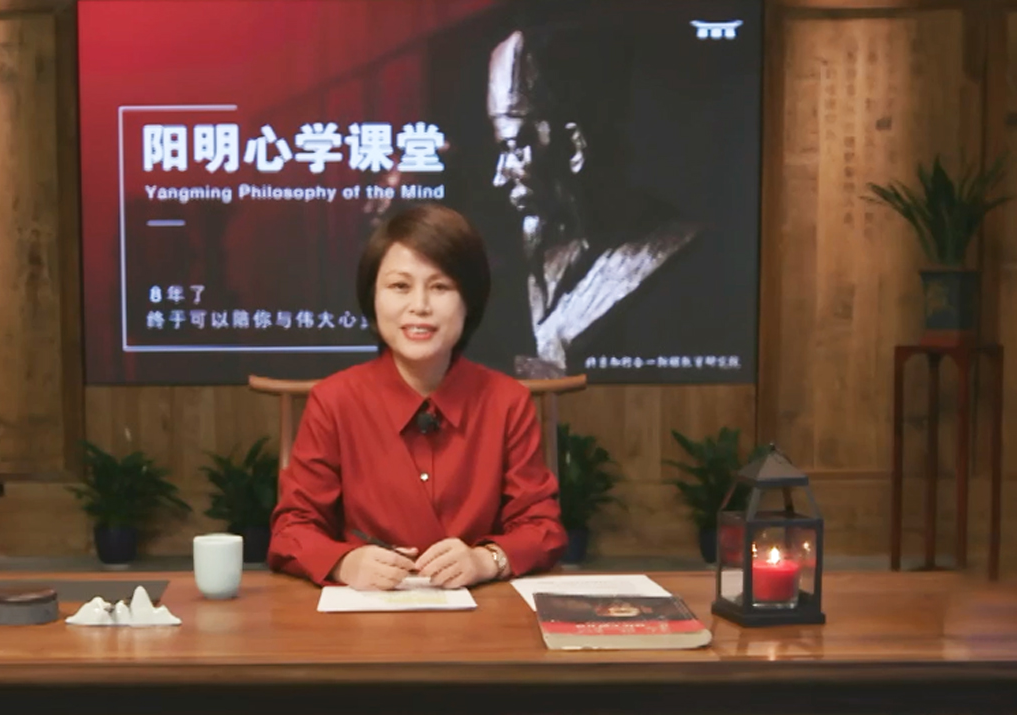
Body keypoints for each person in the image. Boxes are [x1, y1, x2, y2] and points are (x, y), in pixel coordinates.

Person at [267, 203, 568, 590]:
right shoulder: (334, 401)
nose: (420, 306)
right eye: (400, 286)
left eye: (440, 287)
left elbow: (542, 527)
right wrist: (345, 563)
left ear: (469, 301)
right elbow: (292, 528)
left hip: (482, 612)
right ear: (373, 298)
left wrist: (485, 559)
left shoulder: (507, 402)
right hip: (366, 613)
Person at [486, 25, 703, 379]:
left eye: (514, 149)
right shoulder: (546, 258)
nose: (499, 177)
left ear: (573, 147)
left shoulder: (666, 248)